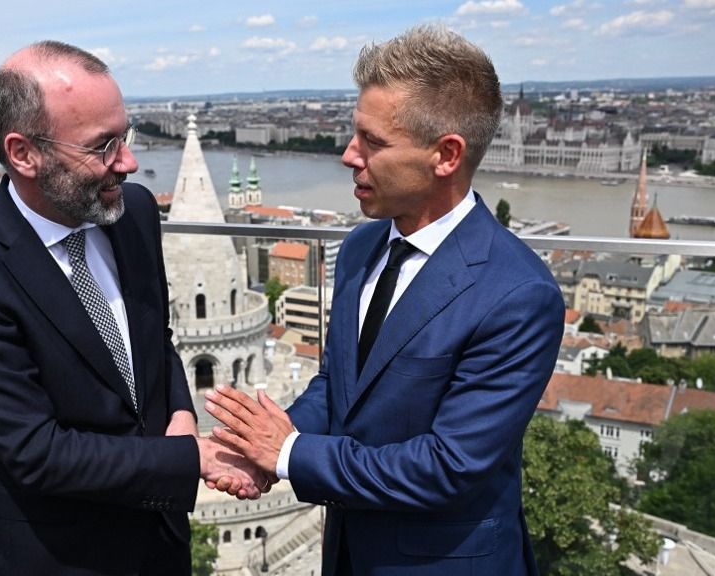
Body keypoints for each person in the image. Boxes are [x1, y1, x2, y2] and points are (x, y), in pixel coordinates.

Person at [204, 25, 565, 575]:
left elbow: (448, 467)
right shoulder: (360, 247)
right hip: (348, 553)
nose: (349, 156)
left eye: (372, 141)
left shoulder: (519, 295)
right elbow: (339, 386)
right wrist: (266, 453)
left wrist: (288, 454)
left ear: (446, 155)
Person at [0, 41, 264, 575]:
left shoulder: (134, 212)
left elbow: (156, 338)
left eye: (124, 136)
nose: (128, 162)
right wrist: (192, 456)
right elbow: (35, 451)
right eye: (103, 146)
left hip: (159, 534)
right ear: (24, 154)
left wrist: (180, 411)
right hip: (55, 552)